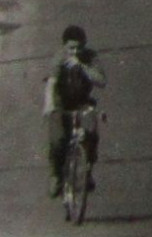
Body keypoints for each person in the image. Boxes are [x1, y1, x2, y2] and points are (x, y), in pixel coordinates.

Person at [43, 25, 106, 198]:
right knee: (57, 140)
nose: (75, 51)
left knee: (91, 133)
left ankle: (88, 171)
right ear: (64, 46)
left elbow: (101, 81)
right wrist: (49, 105)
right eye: (71, 48)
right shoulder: (59, 58)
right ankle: (56, 175)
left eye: (79, 47)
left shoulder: (89, 57)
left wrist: (83, 67)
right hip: (60, 104)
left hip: (82, 102)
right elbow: (51, 82)